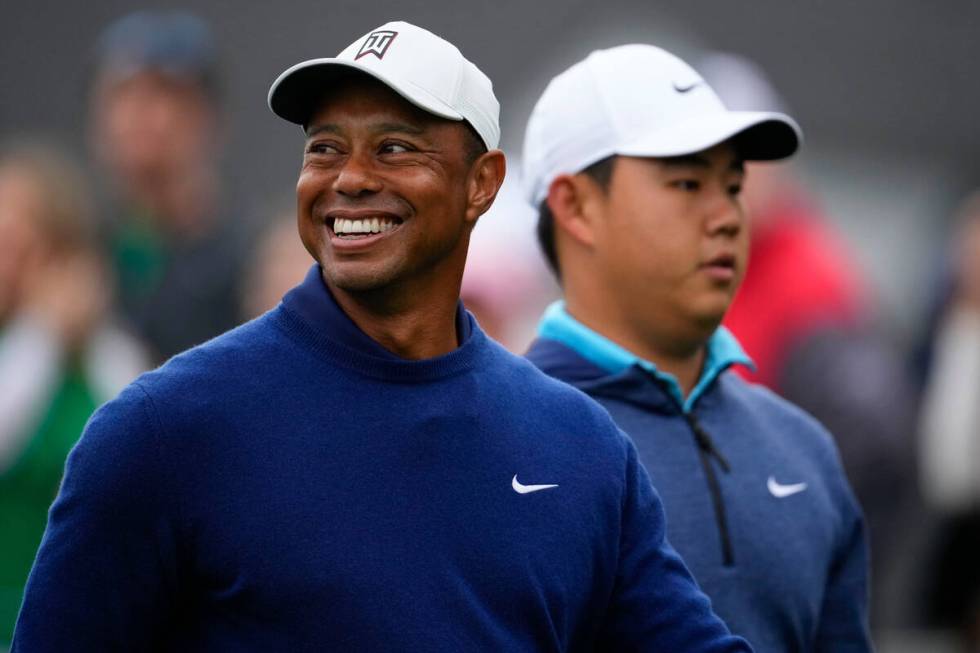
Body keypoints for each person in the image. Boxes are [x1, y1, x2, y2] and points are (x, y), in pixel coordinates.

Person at [13, 22, 751, 651]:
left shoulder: (580, 447)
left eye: (395, 148)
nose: (351, 179)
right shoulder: (163, 430)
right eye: (326, 148)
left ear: (482, 183)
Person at [522, 45, 872, 652]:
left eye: (733, 185)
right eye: (687, 183)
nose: (730, 216)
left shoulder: (803, 449)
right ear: (574, 205)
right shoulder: (496, 442)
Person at [0, 142, 148, 646]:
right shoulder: (32, 347)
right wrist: (40, 338)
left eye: (17, 244)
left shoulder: (109, 354)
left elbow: (144, 463)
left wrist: (77, 338)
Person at [88, 11, 250, 363]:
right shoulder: (74, 256)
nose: (141, 113)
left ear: (209, 116)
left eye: (165, 93)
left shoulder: (251, 264)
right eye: (123, 94)